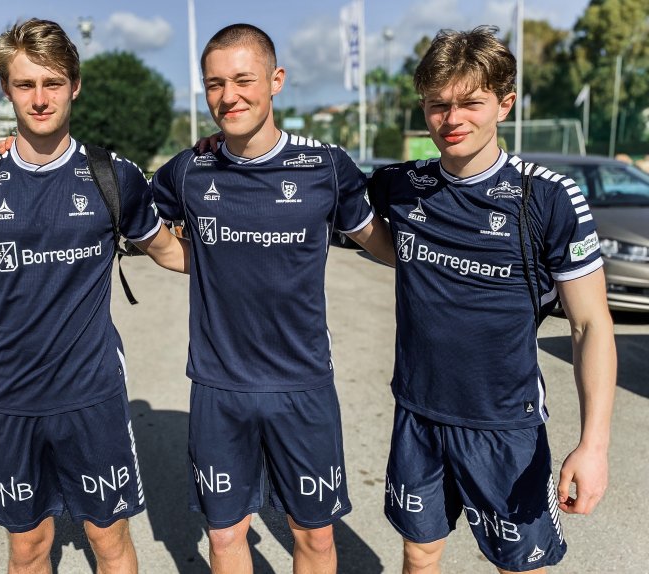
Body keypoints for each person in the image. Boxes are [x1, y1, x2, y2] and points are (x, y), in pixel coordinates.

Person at [0, 19, 188, 574]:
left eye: (52, 83)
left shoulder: (112, 176)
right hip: (12, 398)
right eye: (25, 85)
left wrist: (257, 246)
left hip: (92, 394)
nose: (40, 99)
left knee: (108, 540)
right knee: (27, 548)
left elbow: (171, 252)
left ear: (75, 84)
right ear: (6, 89)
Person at [367, 26, 617, 573]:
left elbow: (591, 326)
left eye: (471, 103)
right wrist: (221, 146)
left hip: (506, 426)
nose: (452, 119)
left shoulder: (547, 197)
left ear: (504, 103)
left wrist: (593, 446)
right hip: (418, 414)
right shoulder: (399, 186)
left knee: (520, 566)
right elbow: (320, 191)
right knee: (419, 552)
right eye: (438, 105)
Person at [151, 23, 393, 574]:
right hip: (219, 387)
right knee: (225, 537)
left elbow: (382, 245)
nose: (228, 96)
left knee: (315, 539)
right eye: (214, 84)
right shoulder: (190, 169)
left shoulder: (326, 168)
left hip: (301, 385)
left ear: (276, 80)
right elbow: (130, 215)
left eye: (243, 80)